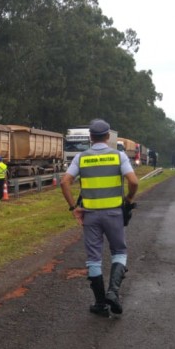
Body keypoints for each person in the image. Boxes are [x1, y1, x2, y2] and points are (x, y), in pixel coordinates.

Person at [60, 119, 138, 317]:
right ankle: (113, 292)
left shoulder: (81, 158)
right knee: (119, 251)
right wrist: (128, 199)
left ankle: (100, 304)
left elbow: (65, 182)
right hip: (114, 213)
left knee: (94, 258)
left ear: (90, 137)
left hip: (91, 216)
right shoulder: (119, 156)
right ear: (108, 136)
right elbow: (134, 182)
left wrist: (74, 207)